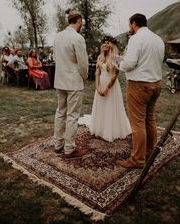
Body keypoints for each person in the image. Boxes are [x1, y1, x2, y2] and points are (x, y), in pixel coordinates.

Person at [117, 13, 165, 170]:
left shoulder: (136, 39)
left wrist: (119, 65)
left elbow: (130, 63)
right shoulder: (158, 39)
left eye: (129, 25)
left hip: (139, 85)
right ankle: (150, 152)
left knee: (137, 122)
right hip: (156, 84)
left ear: (133, 24)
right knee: (149, 119)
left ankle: (137, 159)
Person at [79, 36, 132, 142]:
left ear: (112, 45)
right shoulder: (100, 57)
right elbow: (97, 73)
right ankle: (100, 129)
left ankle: (111, 130)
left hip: (111, 85)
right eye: (104, 42)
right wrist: (97, 87)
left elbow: (115, 75)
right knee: (101, 106)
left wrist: (107, 88)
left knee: (110, 106)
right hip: (101, 83)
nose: (105, 44)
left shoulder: (116, 58)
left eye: (108, 42)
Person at [53, 10, 89, 158]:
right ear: (79, 21)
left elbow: (56, 58)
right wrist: (85, 77)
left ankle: (58, 144)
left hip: (60, 80)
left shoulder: (57, 37)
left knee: (60, 112)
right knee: (72, 115)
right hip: (73, 81)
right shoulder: (77, 38)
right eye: (82, 23)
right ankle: (69, 148)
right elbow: (82, 62)